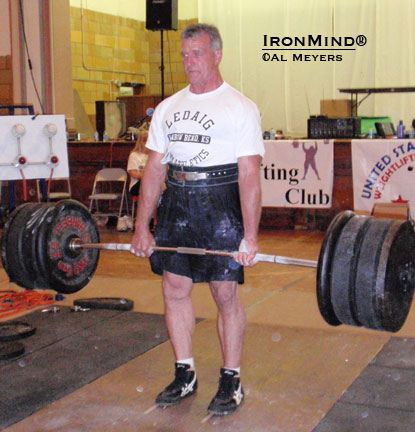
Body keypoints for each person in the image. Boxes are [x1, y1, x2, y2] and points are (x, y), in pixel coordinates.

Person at [130, 23, 264, 416]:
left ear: (218, 54)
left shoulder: (240, 107)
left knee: (224, 293)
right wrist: (142, 226)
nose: (190, 62)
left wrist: (251, 235)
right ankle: (185, 372)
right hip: (178, 201)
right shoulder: (169, 107)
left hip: (221, 202)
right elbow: (154, 169)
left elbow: (250, 175)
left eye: (198, 53)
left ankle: (231, 378)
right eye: (185, 55)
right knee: (174, 288)